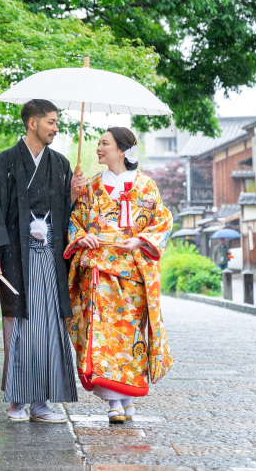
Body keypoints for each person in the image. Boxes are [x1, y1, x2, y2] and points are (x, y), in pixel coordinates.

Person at [0, 99, 85, 423]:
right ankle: (17, 402)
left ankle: (41, 403)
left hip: (49, 256)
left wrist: (74, 195)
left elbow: (67, 214)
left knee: (49, 327)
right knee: (18, 326)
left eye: (57, 122)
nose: (56, 127)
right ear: (32, 123)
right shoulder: (6, 161)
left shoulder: (61, 164)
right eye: (51, 121)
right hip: (15, 259)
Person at [65, 127, 173, 423]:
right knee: (101, 335)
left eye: (105, 143)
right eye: (98, 143)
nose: (98, 148)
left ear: (122, 150)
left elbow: (162, 221)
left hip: (133, 272)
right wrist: (82, 237)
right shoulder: (90, 186)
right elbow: (74, 222)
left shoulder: (146, 186)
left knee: (130, 336)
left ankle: (127, 396)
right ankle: (113, 402)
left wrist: (139, 240)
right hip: (99, 272)